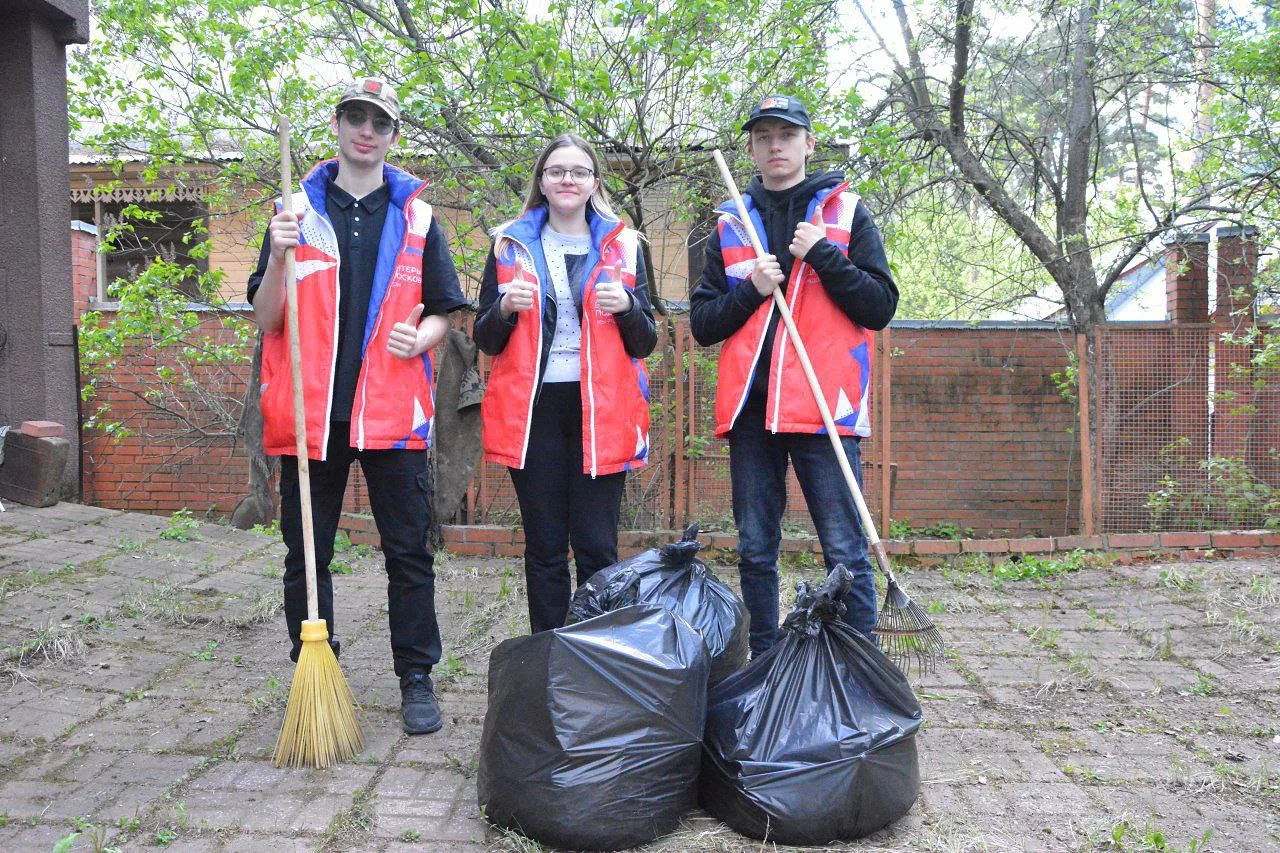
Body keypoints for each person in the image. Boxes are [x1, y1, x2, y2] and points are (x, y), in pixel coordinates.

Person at [247, 78, 468, 735]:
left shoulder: (419, 219)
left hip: (392, 411)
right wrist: (280, 254)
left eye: (379, 121)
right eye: (355, 117)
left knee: (408, 551)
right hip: (311, 416)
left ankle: (417, 679)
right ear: (338, 124)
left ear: (393, 136)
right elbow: (265, 319)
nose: (366, 130)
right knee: (305, 552)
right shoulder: (294, 212)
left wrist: (421, 335)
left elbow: (445, 313)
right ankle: (314, 666)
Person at [690, 95, 898, 656]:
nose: (774, 145)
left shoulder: (847, 215)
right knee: (756, 548)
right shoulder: (732, 222)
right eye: (763, 137)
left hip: (823, 407)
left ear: (809, 143)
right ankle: (764, 659)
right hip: (751, 411)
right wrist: (750, 291)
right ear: (753, 149)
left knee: (843, 548)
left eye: (786, 134)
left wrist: (828, 258)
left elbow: (879, 307)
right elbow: (704, 325)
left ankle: (856, 668)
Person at [474, 133, 658, 634]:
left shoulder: (623, 244)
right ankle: (548, 656)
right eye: (556, 171)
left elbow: (646, 343)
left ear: (595, 182)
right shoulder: (509, 243)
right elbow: (485, 340)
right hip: (534, 411)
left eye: (578, 171)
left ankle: (597, 657)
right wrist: (504, 311)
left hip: (601, 408)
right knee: (546, 546)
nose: (567, 180)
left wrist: (628, 309)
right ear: (542, 181)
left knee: (598, 546)